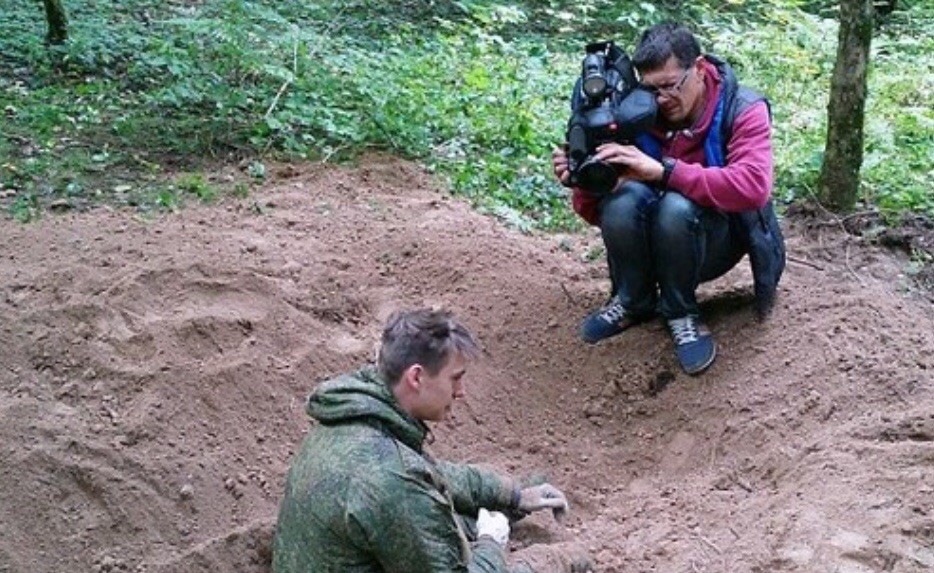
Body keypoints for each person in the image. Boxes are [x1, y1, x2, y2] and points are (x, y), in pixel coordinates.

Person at [273, 308, 591, 573]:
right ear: (416, 377)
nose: (461, 392)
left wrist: (512, 495)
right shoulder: (393, 480)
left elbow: (431, 475)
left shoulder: (354, 420)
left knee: (460, 520)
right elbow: (408, 488)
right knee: (561, 562)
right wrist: (497, 546)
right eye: (455, 378)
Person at [552, 22, 786, 375]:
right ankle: (633, 301)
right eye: (651, 89)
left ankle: (681, 312)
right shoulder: (633, 111)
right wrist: (585, 180)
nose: (661, 99)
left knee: (675, 205)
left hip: (714, 240)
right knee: (624, 198)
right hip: (650, 243)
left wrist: (663, 171)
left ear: (700, 68)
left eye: (670, 86)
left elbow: (754, 186)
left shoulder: (743, 107)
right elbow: (599, 214)